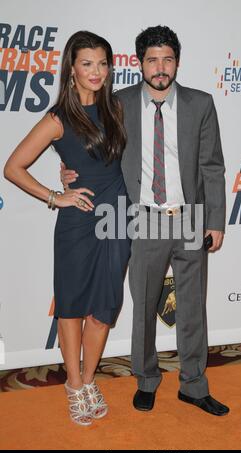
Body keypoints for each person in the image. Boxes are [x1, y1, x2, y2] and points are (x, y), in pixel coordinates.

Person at [61, 25, 229, 416]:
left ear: (177, 62)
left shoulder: (199, 104)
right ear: (138, 63)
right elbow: (85, 146)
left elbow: (212, 166)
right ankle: (146, 380)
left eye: (167, 59)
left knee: (192, 308)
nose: (160, 67)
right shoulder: (116, 104)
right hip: (143, 220)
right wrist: (67, 172)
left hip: (189, 218)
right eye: (152, 59)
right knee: (143, 307)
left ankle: (194, 385)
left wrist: (216, 220)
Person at [4, 31, 131, 426]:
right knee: (72, 306)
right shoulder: (58, 118)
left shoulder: (119, 108)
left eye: (103, 63)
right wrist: (53, 195)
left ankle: (90, 379)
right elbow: (12, 167)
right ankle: (73, 385)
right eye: (87, 63)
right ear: (71, 69)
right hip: (78, 223)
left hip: (118, 220)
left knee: (103, 309)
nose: (96, 71)